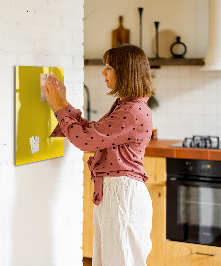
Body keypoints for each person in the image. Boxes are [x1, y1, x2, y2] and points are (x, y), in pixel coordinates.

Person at [42, 44, 154, 266]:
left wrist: (57, 108)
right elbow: (93, 133)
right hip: (117, 195)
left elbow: (85, 141)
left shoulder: (131, 111)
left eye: (109, 67)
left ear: (125, 72)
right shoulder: (127, 106)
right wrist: (64, 104)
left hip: (122, 197)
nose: (104, 73)